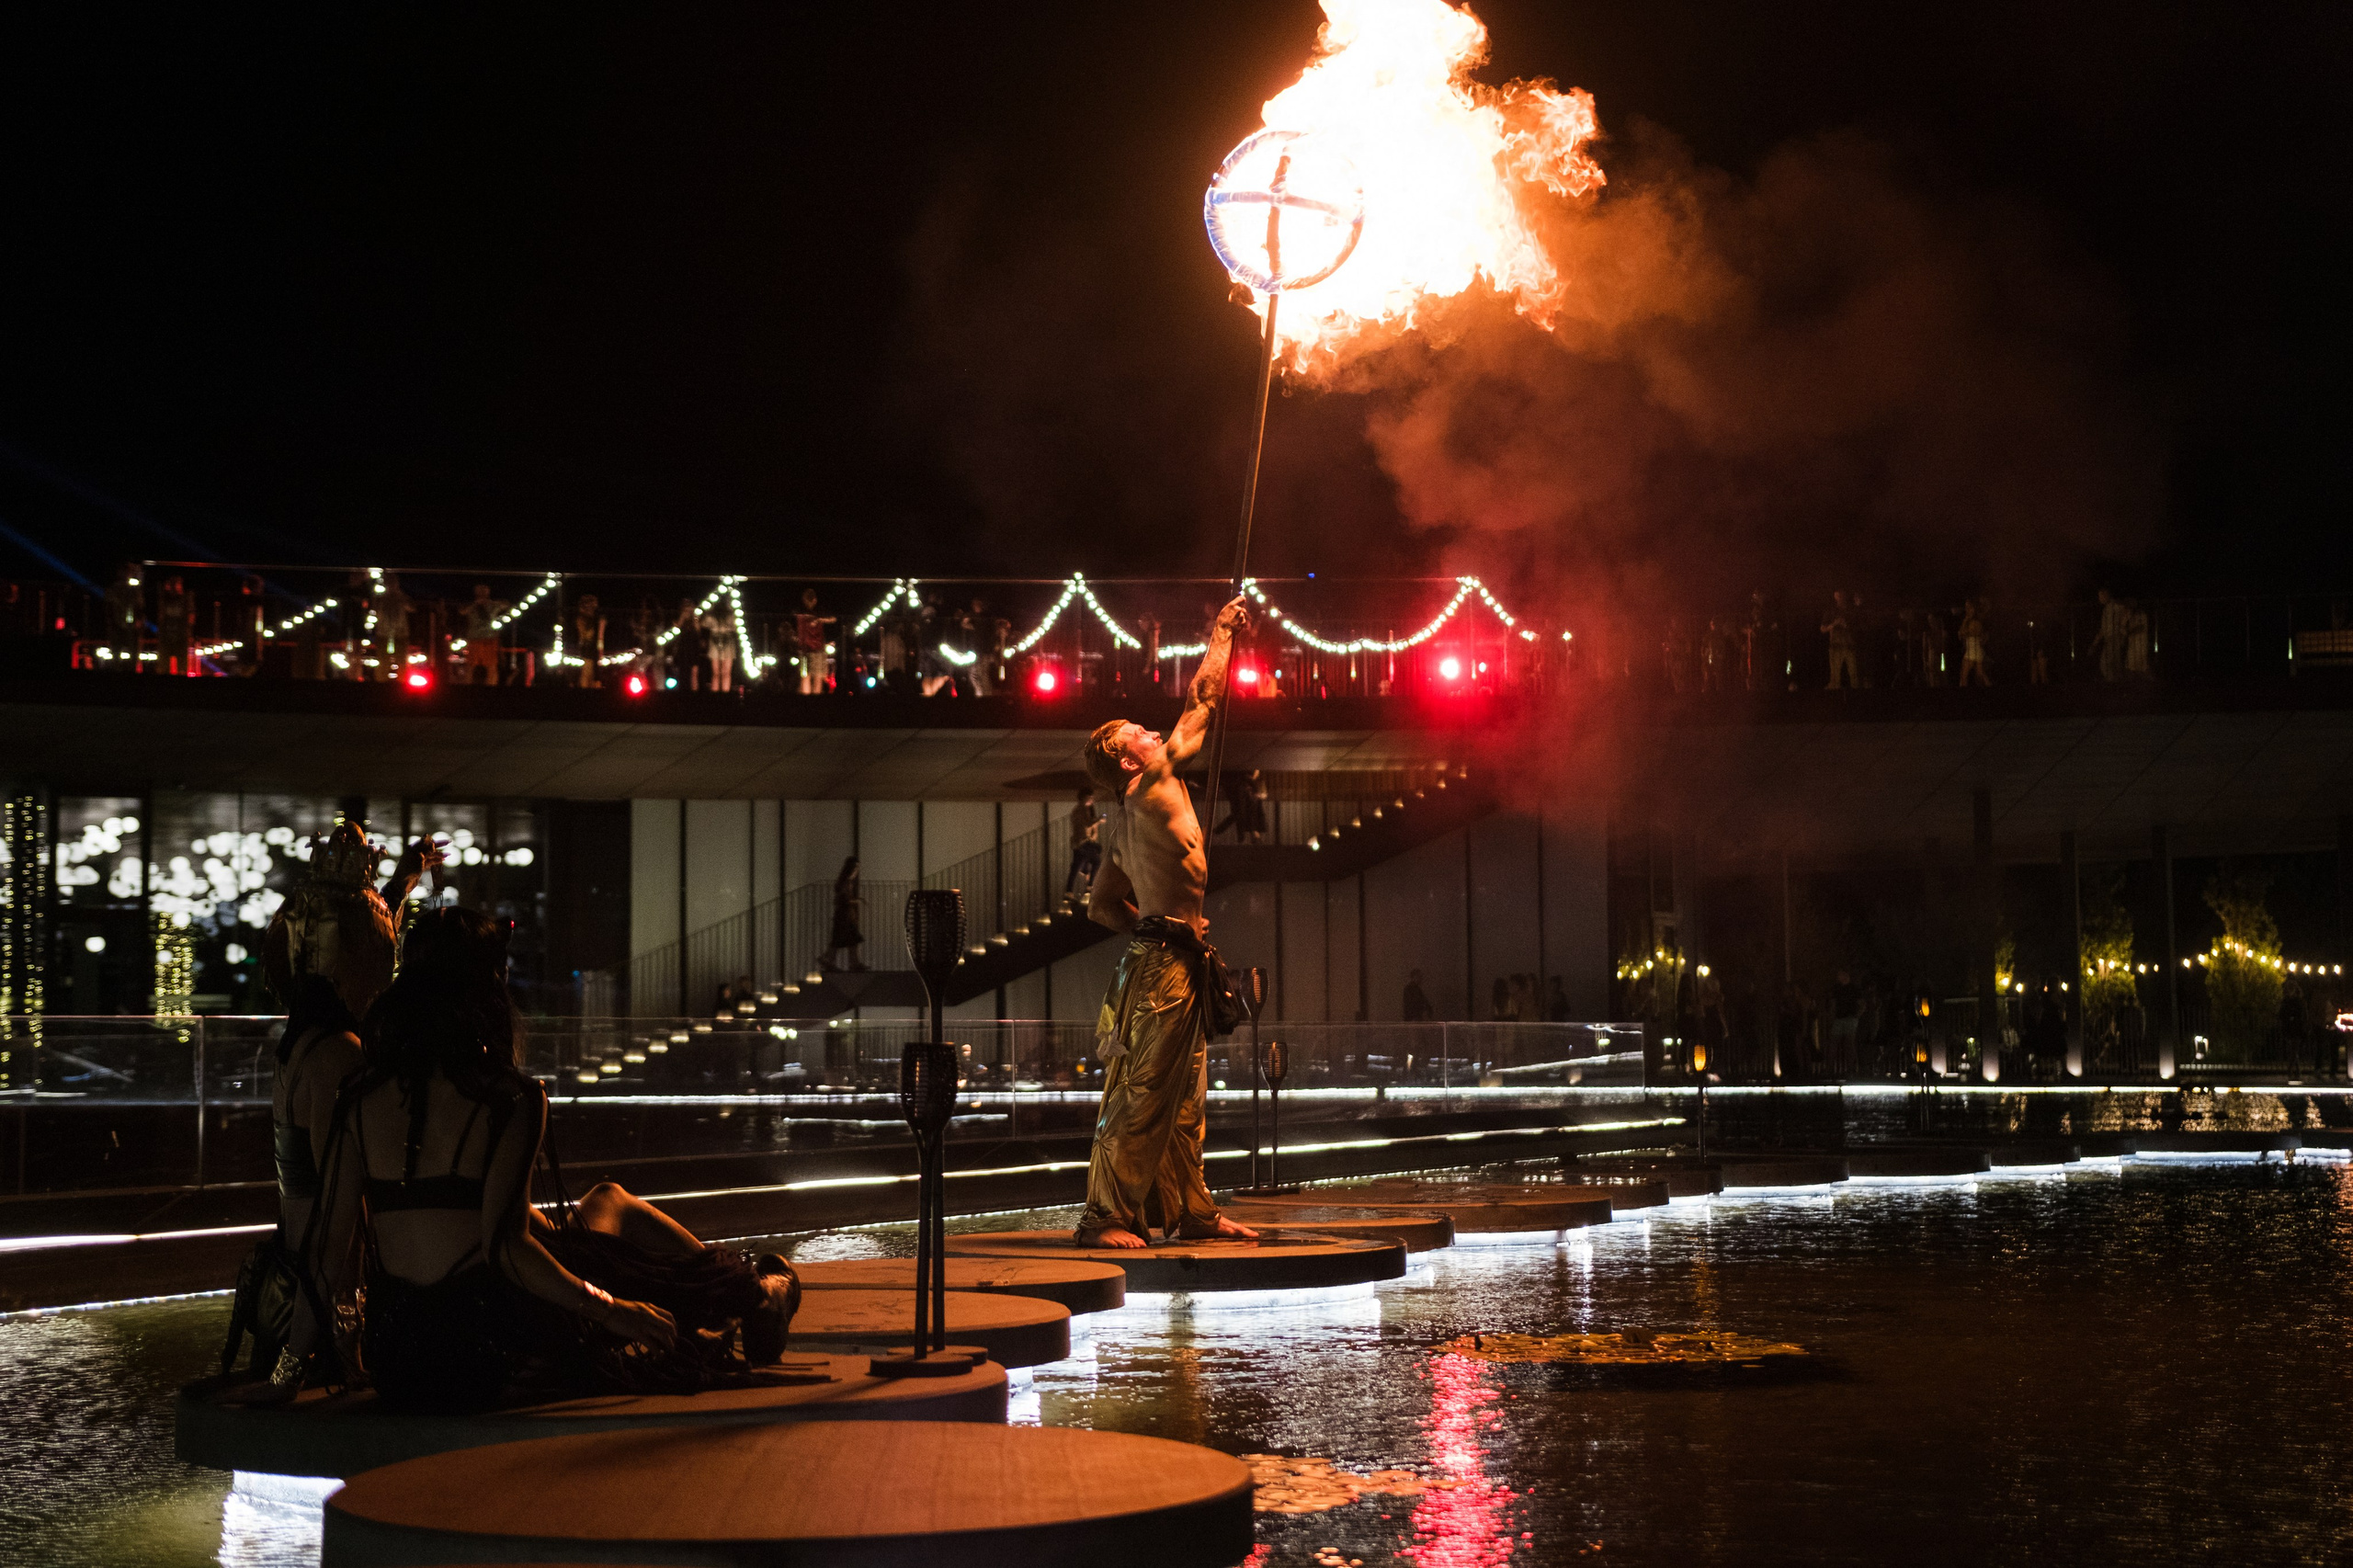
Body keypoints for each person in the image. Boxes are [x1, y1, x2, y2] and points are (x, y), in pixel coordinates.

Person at [304, 908, 798, 1413]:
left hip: (401, 1364)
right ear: (488, 989)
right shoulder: (508, 1099)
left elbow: (325, 1253)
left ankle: (751, 1295)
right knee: (610, 1233)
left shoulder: (360, 1099)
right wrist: (613, 1311)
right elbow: (506, 1250)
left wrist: (283, 1376)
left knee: (586, 1219)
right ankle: (757, 1297)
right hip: (492, 1353)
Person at [225, 822, 439, 1394]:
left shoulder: (296, 1044)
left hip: (297, 1271)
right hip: (321, 1296)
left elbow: (359, 930)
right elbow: (334, 1216)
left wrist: (403, 881)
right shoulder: (339, 1055)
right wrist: (290, 1370)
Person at [1073, 596, 1258, 1250]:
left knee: (1183, 1097)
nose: (1154, 734)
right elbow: (1203, 703)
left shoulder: (1122, 818)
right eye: (1140, 737)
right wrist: (1221, 633)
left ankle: (1191, 1213)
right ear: (1130, 761)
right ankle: (1105, 1218)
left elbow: (1100, 906)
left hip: (1166, 956)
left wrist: (1157, 929)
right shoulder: (1151, 782)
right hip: (1164, 965)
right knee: (1147, 1091)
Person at [460, 585, 506, 685]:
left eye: (484, 591)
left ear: (488, 592)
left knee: (491, 666)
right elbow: (462, 611)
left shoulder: (493, 605)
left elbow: (506, 605)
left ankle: (491, 686)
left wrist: (495, 603)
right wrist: (475, 604)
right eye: (480, 591)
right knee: (470, 666)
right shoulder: (471, 606)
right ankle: (467, 686)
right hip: (474, 638)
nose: (482, 593)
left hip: (489, 638)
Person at [824, 856, 864, 971]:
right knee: (850, 939)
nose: (857, 871)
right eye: (856, 868)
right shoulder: (846, 883)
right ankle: (852, 963)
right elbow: (844, 900)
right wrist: (858, 901)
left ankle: (831, 960)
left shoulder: (845, 882)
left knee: (848, 939)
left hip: (843, 915)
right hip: (844, 916)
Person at [793, 589, 835, 695]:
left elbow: (833, 618)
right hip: (808, 649)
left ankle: (811, 700)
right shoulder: (801, 611)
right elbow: (833, 618)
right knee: (810, 676)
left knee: (814, 676)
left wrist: (819, 620)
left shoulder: (817, 612)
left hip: (813, 649)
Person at [1064, 790, 1100, 896]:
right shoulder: (1079, 811)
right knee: (1079, 866)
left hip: (1085, 842)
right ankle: (1072, 890)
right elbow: (1086, 825)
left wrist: (1093, 836)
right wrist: (1098, 820)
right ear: (1084, 798)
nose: (1091, 800)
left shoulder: (1087, 810)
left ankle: (1073, 889)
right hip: (1081, 842)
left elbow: (1092, 828)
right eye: (1089, 798)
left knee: (1089, 863)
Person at [1822, 593, 1859, 690]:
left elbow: (1858, 628)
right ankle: (1835, 700)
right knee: (1835, 677)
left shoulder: (1851, 611)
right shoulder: (1831, 611)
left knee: (1854, 675)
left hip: (1850, 646)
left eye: (1842, 595)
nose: (1840, 598)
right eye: (1838, 595)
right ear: (1835, 597)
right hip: (1836, 646)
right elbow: (1823, 629)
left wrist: (1846, 625)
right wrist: (1834, 624)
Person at [703, 607, 739, 693]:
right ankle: (716, 697)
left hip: (728, 641)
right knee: (716, 673)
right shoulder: (711, 612)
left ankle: (725, 696)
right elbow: (705, 623)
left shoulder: (732, 611)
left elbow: (736, 626)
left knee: (726, 672)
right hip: (715, 641)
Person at [1958, 598, 1991, 686]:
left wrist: (1965, 623)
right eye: (1966, 607)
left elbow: (1965, 633)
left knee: (1974, 676)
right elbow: (1961, 634)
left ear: (1974, 608)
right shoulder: (1970, 621)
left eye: (1969, 607)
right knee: (1978, 676)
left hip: (1975, 651)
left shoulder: (1976, 622)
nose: (1967, 610)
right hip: (1971, 651)